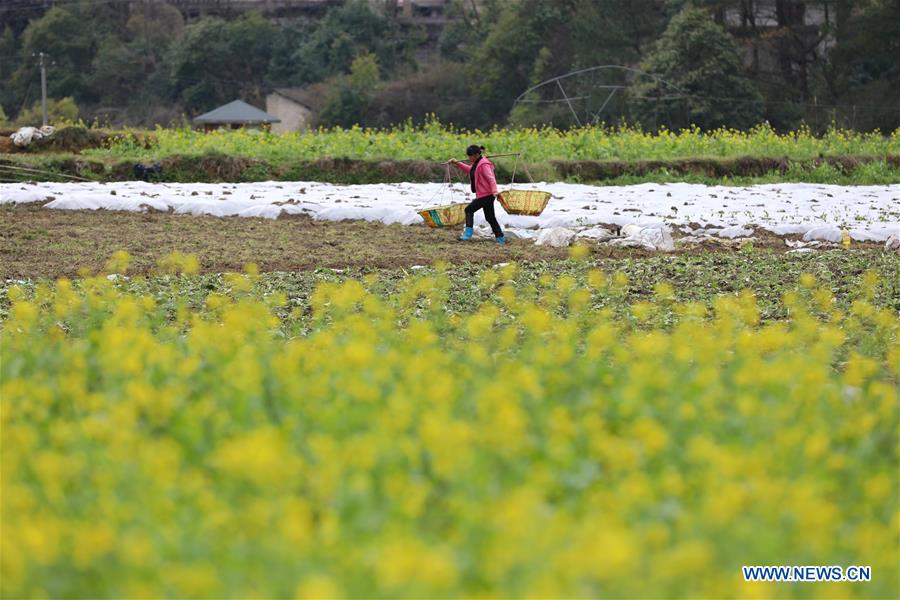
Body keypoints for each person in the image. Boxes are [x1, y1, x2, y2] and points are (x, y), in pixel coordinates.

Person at [448, 145, 505, 244]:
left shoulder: (483, 165)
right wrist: (457, 163)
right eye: (469, 156)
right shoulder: (476, 163)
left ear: (477, 155)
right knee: (490, 217)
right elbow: (469, 170)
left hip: (487, 195)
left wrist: (495, 191)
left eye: (471, 156)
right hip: (485, 195)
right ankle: (500, 238)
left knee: (469, 210)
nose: (469, 158)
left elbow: (491, 178)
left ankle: (467, 234)